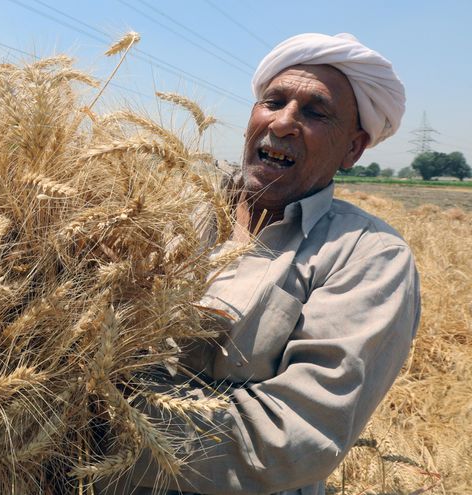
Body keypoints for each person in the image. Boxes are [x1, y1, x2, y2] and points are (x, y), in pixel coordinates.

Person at [98, 33, 421, 495]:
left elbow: (292, 438)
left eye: (315, 112)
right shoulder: (162, 209)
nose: (284, 122)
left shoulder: (369, 256)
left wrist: (88, 427)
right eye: (273, 101)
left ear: (353, 149)